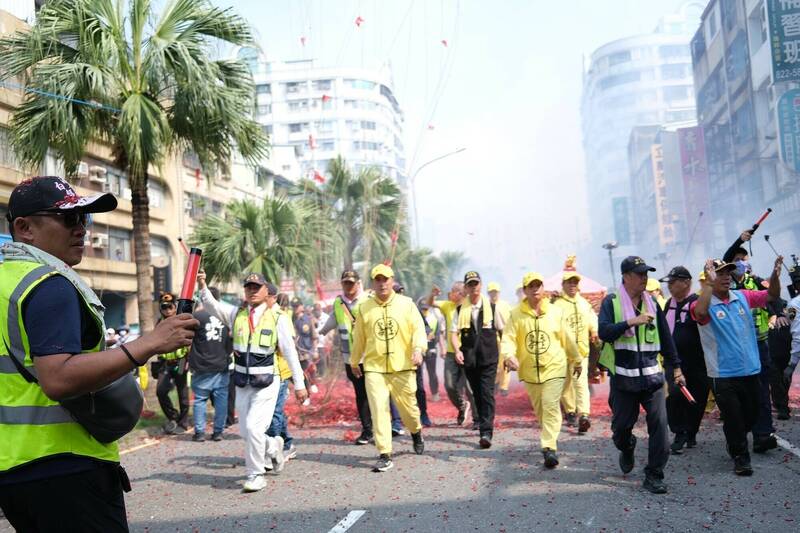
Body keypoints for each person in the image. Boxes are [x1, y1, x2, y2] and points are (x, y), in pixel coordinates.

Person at [0, 176, 197, 531]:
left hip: (14, 471)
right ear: (24, 228)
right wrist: (149, 343)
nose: (81, 229)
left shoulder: (6, 283)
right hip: (66, 467)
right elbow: (58, 378)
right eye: (68, 219)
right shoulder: (49, 284)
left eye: (84, 219)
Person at [202, 272, 307, 492]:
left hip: (268, 382)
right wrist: (201, 283)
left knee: (253, 427)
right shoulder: (236, 314)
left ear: (266, 291)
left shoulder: (278, 318)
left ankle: (256, 474)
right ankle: (274, 445)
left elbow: (290, 353)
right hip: (242, 383)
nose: (252, 290)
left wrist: (299, 384)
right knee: (246, 432)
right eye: (248, 287)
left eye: (256, 287)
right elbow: (212, 306)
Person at [598, 256, 683, 494]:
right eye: (640, 274)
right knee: (621, 429)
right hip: (624, 380)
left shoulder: (653, 303)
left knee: (660, 427)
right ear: (626, 277)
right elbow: (604, 332)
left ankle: (654, 475)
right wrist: (629, 322)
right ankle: (627, 446)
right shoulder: (611, 302)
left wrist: (676, 367)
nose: (645, 278)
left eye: (646, 274)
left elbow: (666, 338)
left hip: (653, 379)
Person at [691, 257, 782, 475]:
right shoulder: (703, 302)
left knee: (749, 416)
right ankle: (741, 457)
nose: (725, 277)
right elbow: (700, 314)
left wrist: (776, 276)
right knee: (733, 417)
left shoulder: (742, 296)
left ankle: (735, 440)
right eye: (720, 273)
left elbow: (772, 295)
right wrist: (709, 286)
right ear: (711, 277)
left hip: (750, 370)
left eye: (727, 273)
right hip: (723, 374)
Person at [350, 264, 427, 472]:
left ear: (392, 280)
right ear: (373, 283)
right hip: (374, 368)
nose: (382, 283)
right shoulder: (364, 307)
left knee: (408, 410)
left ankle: (416, 431)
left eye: (385, 279)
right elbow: (358, 338)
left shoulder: (407, 304)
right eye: (378, 280)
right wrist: (354, 360)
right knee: (378, 409)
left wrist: (419, 349)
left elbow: (418, 330)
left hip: (402, 366)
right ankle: (385, 453)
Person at [502, 272, 581, 468]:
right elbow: (508, 339)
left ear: (543, 288)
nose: (535, 289)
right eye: (531, 286)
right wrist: (509, 356)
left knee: (550, 404)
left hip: (555, 366)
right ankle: (548, 439)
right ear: (525, 290)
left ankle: (549, 447)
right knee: (540, 410)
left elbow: (567, 338)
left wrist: (577, 358)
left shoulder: (555, 312)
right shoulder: (515, 314)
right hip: (529, 371)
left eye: (538, 285)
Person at [723, 230, 777, 453]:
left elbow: (773, 299)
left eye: (744, 260)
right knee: (740, 396)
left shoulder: (756, 282)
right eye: (737, 260)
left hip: (759, 345)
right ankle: (737, 437)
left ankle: (763, 434)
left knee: (762, 390)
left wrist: (777, 314)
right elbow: (726, 257)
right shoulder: (726, 286)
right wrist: (739, 240)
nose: (741, 263)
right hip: (736, 350)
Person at [451, 271, 506, 449]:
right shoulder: (459, 310)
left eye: (476, 283)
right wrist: (457, 349)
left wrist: (506, 354)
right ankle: (483, 423)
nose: (474, 287)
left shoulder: (493, 308)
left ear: (480, 285)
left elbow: (503, 332)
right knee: (476, 394)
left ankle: (486, 431)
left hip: (489, 358)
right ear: (466, 288)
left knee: (486, 393)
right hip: (470, 359)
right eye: (470, 284)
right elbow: (453, 333)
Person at [660, 266, 709, 454]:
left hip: (697, 361)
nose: (670, 286)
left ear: (686, 283)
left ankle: (691, 431)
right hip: (674, 361)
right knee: (674, 396)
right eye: (669, 283)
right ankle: (679, 431)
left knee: (698, 398)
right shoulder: (668, 304)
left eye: (674, 282)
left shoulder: (697, 303)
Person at [553, 270, 598, 433]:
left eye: (575, 282)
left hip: (581, 353)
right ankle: (570, 410)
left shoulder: (584, 303)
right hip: (563, 353)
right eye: (569, 282)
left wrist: (594, 331)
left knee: (581, 384)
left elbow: (592, 319)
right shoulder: (557, 306)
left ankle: (584, 415)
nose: (572, 285)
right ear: (563, 285)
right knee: (564, 384)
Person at [427, 282, 476, 427]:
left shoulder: (469, 306)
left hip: (467, 352)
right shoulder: (447, 305)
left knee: (470, 387)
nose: (451, 293)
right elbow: (430, 303)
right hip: (450, 353)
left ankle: (477, 419)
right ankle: (462, 406)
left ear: (462, 293)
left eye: (454, 291)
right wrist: (433, 294)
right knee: (449, 385)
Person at [188, 296, 232, 442]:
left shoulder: (196, 317)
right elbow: (231, 341)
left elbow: (187, 340)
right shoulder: (226, 317)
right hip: (221, 364)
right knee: (221, 400)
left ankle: (199, 432)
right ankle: (218, 432)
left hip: (201, 366)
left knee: (200, 399)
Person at [154, 292, 191, 434]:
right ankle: (173, 417)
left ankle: (183, 422)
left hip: (181, 361)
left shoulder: (182, 321)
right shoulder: (159, 324)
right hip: (165, 363)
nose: (167, 310)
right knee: (160, 391)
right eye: (164, 307)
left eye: (170, 307)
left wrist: (189, 359)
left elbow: (190, 341)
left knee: (182, 392)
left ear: (175, 307)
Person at [767, 299, 792, 421]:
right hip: (772, 347)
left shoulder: (787, 305)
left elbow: (793, 320)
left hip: (784, 347)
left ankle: (781, 405)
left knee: (782, 378)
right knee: (776, 378)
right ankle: (782, 406)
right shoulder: (762, 305)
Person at [488, 282, 513, 397]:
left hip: (504, 337)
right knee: (494, 363)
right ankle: (496, 382)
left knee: (504, 362)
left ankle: (504, 386)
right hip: (491, 337)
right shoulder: (485, 305)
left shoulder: (505, 305)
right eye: (491, 292)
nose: (494, 294)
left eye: (495, 292)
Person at [418, 298, 442, 403]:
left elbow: (437, 335)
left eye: (426, 309)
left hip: (431, 349)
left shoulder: (434, 319)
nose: (424, 311)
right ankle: (419, 394)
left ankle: (435, 393)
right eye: (423, 309)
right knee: (418, 374)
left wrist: (433, 339)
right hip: (419, 350)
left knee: (432, 373)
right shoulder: (416, 319)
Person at [294, 303, 319, 395]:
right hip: (297, 352)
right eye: (293, 306)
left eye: (296, 306)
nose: (295, 308)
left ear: (301, 306)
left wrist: (315, 350)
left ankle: (313, 383)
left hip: (308, 350)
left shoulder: (308, 319)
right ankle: (307, 392)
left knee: (311, 369)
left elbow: (314, 336)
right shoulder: (292, 320)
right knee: (301, 373)